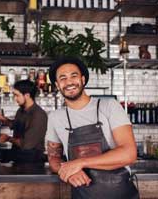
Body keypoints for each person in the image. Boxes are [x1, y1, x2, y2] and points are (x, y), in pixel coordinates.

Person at [45, 57, 139, 198]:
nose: (69, 82)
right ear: (57, 85)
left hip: (120, 193)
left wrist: (79, 163)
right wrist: (69, 172)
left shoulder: (109, 106)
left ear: (83, 80)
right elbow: (54, 159)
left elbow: (129, 154)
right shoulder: (55, 117)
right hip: (83, 194)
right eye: (62, 78)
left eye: (74, 76)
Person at [0, 79, 47, 163]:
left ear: (27, 95)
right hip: (19, 157)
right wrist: (2, 118)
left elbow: (26, 144)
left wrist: (8, 138)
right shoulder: (21, 110)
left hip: (32, 162)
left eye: (17, 95)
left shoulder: (38, 115)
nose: (15, 98)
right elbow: (15, 125)